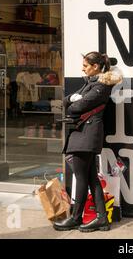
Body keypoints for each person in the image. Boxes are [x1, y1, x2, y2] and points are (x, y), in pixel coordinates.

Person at [53, 52, 122, 232]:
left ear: (96, 67)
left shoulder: (101, 86)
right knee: (91, 178)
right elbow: (67, 100)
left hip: (86, 135)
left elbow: (76, 107)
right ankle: (101, 218)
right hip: (83, 134)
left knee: (82, 178)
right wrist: (72, 100)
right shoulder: (91, 83)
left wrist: (74, 101)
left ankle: (76, 218)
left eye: (85, 66)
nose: (82, 68)